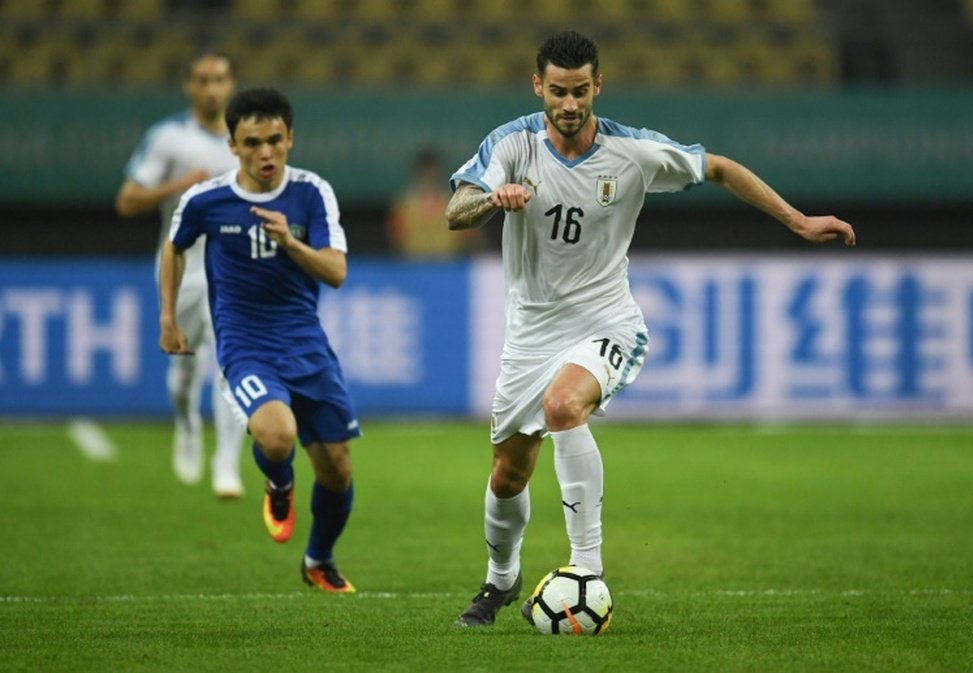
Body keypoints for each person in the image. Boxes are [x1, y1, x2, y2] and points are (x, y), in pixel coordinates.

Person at [446, 30, 856, 627]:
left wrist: (797, 221)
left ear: (598, 86)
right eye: (557, 91)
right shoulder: (511, 145)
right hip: (531, 330)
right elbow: (456, 209)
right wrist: (492, 199)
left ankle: (586, 568)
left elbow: (716, 167)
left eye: (581, 91)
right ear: (538, 86)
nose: (569, 104)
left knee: (564, 406)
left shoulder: (631, 151)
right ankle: (500, 581)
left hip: (606, 321)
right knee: (508, 473)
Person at [159, 88, 361, 593]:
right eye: (252, 143)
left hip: (306, 345)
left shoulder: (312, 193)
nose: (265, 153)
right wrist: (168, 317)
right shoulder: (206, 200)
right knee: (276, 435)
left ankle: (318, 559)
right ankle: (280, 481)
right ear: (232, 145)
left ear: (290, 138)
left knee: (337, 469)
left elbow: (336, 271)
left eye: (274, 140)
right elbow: (174, 247)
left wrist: (290, 242)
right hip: (245, 348)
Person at [116, 52, 245, 498]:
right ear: (190, 86)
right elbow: (127, 200)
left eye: (220, 79)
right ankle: (187, 423)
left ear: (230, 85)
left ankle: (226, 465)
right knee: (184, 371)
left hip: (232, 269)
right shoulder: (167, 138)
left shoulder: (245, 138)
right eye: (203, 80)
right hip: (182, 264)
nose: (212, 88)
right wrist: (179, 186)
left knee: (230, 366)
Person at [386, 147, 482, 258]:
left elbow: (471, 240)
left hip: (450, 265)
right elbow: (395, 241)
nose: (429, 178)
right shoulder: (402, 205)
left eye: (432, 173)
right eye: (425, 173)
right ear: (417, 175)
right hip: (412, 265)